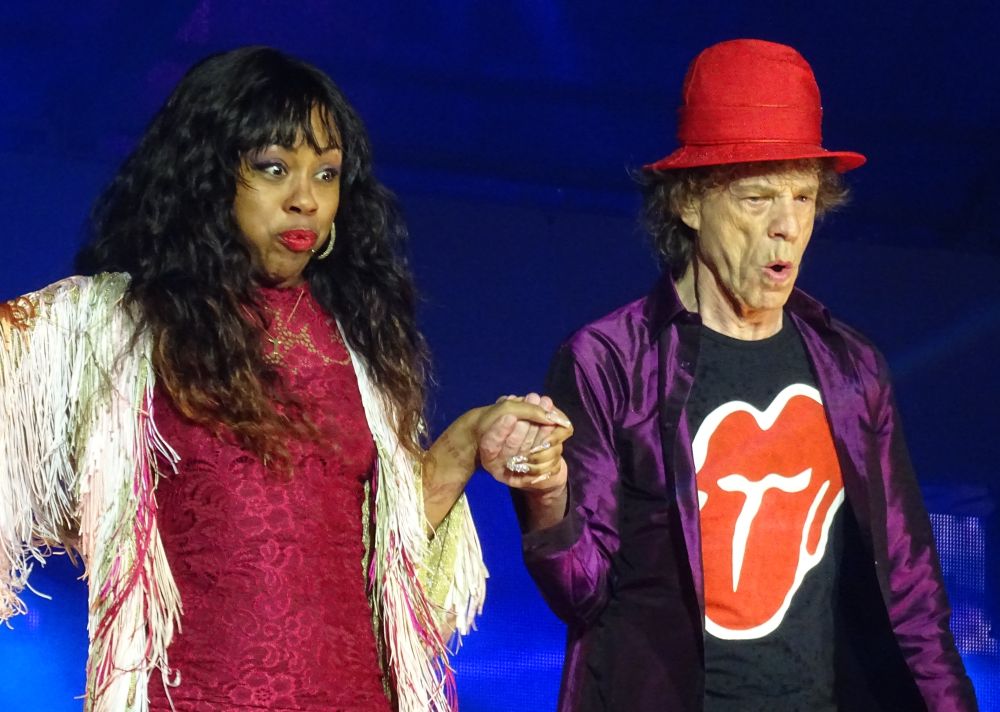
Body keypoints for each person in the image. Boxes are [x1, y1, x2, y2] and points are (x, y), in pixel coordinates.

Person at [0, 46, 571, 712]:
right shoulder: (118, 326)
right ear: (210, 178)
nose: (305, 199)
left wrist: (470, 440)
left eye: (325, 175)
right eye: (274, 170)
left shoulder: (356, 344)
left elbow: (387, 548)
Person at [512, 39, 978, 711]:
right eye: (758, 198)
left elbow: (910, 592)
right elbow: (582, 592)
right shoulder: (610, 360)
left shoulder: (852, 367)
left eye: (804, 197)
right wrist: (548, 494)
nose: (788, 226)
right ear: (691, 204)